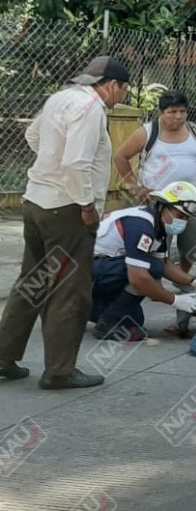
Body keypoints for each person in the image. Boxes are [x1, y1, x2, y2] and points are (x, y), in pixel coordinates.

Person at [0, 56, 130, 389]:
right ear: (112, 85)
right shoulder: (92, 109)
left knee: (31, 282)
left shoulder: (59, 98)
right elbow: (75, 163)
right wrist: (86, 204)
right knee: (69, 289)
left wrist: (50, 163)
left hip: (36, 201)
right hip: (68, 209)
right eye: (124, 90)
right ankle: (60, 371)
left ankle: (3, 357)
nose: (123, 96)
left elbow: (32, 135)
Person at [90, 182, 196, 342]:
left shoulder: (157, 225)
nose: (182, 222)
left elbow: (164, 264)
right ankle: (108, 324)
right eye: (179, 215)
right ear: (163, 206)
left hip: (100, 271)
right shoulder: (140, 225)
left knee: (135, 321)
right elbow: (138, 277)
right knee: (151, 268)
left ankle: (92, 310)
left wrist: (194, 281)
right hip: (87, 271)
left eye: (186, 218)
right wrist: (175, 300)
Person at [113, 90, 196, 275]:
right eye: (172, 112)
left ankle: (183, 276)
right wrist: (134, 185)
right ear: (161, 113)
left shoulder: (194, 132)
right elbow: (120, 156)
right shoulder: (148, 132)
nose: (179, 116)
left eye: (183, 111)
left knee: (192, 245)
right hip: (156, 200)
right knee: (155, 246)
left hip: (190, 200)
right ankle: (155, 280)